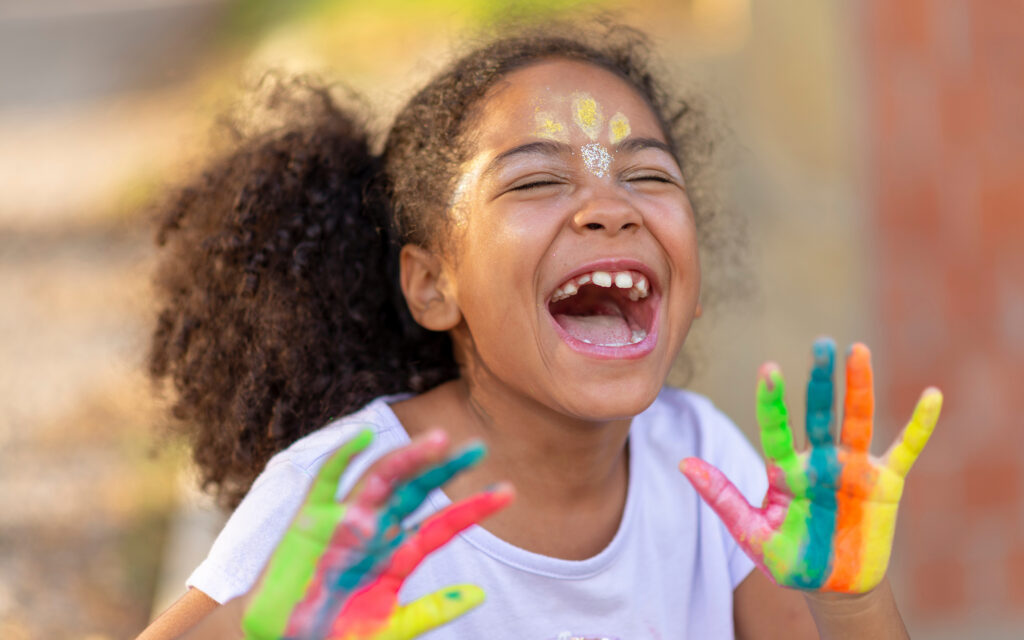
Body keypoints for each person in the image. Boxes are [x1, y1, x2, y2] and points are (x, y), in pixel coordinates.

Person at [138, 22, 940, 639]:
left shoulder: (702, 462)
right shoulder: (344, 493)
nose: (609, 206)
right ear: (432, 284)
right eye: (538, 179)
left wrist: (855, 602)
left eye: (649, 175)